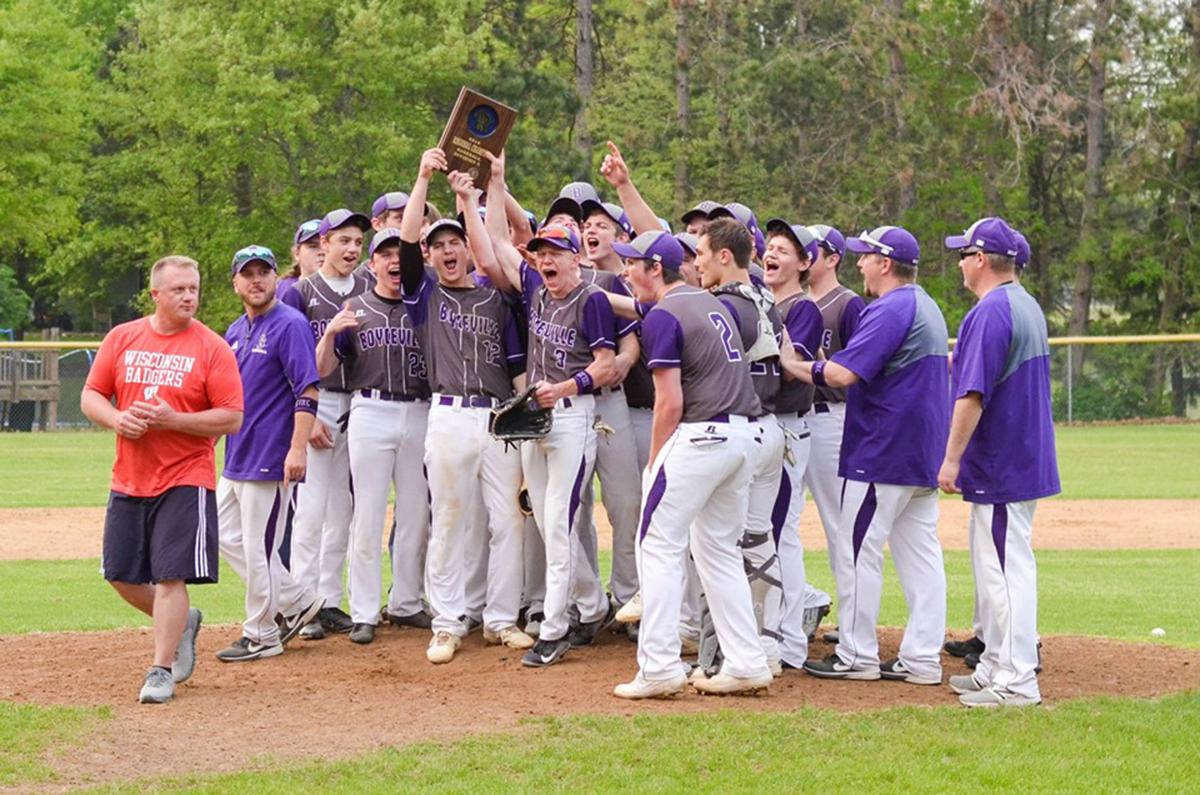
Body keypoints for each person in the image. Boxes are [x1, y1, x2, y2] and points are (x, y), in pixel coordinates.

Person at [611, 229, 772, 699]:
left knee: (657, 544)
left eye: (631, 263)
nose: (625, 271)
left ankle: (659, 666)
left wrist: (655, 460)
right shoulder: (708, 302)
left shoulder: (666, 314)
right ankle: (746, 661)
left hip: (701, 435)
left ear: (654, 268)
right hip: (741, 437)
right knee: (717, 551)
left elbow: (669, 403)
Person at [788, 226, 950, 686]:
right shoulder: (925, 304)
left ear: (885, 263)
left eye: (865, 256)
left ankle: (856, 655)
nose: (859, 264)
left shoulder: (891, 307)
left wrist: (793, 365)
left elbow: (840, 373)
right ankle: (921, 659)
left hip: (883, 451)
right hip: (920, 453)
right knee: (921, 557)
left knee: (857, 551)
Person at [477, 150, 618, 668]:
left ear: (576, 257)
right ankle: (591, 604)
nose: (546, 260)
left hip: (573, 419)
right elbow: (494, 241)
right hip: (535, 420)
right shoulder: (536, 289)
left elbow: (604, 366)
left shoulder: (592, 300)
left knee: (557, 522)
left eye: (555, 252)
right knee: (545, 523)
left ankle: (554, 629)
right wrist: (496, 181)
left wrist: (565, 388)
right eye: (540, 253)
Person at [81, 255, 243, 704]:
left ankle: (161, 669)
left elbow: (231, 417)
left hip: (186, 477)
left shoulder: (212, 347)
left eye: (193, 288)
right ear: (156, 294)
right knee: (118, 573)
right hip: (129, 478)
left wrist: (174, 419)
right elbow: (91, 394)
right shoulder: (123, 338)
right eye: (178, 290)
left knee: (172, 576)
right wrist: (116, 419)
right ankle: (181, 622)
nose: (189, 296)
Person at [398, 148, 532, 664]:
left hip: (499, 417)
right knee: (451, 518)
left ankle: (500, 619)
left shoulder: (495, 298)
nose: (448, 250)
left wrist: (469, 199)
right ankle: (447, 622)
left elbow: (518, 362)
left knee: (507, 521)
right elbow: (407, 241)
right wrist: (422, 177)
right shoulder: (424, 296)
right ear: (431, 257)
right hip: (449, 416)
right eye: (441, 246)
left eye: (455, 242)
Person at [940, 217, 1059, 708]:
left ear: (982, 260)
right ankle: (994, 667)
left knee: (1007, 573)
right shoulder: (1022, 304)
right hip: (1016, 458)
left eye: (964, 254)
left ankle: (1016, 681)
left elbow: (972, 395)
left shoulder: (992, 311)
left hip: (1003, 462)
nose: (960, 263)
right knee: (995, 569)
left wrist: (950, 460)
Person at [315, 224, 432, 645]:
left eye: (400, 253)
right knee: (366, 512)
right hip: (370, 408)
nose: (393, 260)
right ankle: (364, 611)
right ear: (373, 263)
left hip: (420, 409)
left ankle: (405, 602)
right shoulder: (356, 306)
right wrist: (330, 332)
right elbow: (324, 369)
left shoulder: (426, 305)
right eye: (385, 253)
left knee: (416, 513)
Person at [215, 245, 324, 661]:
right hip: (237, 454)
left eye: (264, 272)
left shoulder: (290, 325)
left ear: (277, 277)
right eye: (248, 273)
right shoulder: (235, 330)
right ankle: (296, 599)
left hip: (271, 455)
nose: (256, 280)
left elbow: (307, 389)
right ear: (236, 282)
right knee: (222, 535)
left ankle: (262, 634)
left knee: (260, 548)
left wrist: (297, 449)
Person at [280, 209, 372, 639]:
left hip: (359, 403)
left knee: (344, 509)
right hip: (316, 402)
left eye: (357, 241)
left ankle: (331, 600)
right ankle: (302, 603)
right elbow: (288, 358)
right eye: (342, 241)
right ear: (324, 243)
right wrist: (305, 411)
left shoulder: (369, 286)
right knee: (311, 509)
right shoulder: (302, 291)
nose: (351, 249)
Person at [762, 219, 825, 668]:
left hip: (787, 426)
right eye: (769, 246)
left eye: (784, 249)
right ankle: (771, 631)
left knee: (781, 531)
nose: (772, 253)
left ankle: (790, 640)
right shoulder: (760, 300)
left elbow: (789, 367)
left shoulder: (803, 309)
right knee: (763, 531)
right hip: (765, 425)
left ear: (805, 263)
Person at [800, 223, 867, 644]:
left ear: (832, 258)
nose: (805, 254)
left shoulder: (848, 304)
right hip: (794, 419)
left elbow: (860, 370)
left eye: (813, 248)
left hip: (831, 419)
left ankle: (854, 625)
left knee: (840, 526)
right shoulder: (791, 301)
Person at [276, 219, 323, 304]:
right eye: (313, 246)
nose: (321, 252)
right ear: (297, 253)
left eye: (326, 246)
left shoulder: (345, 287)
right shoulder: (286, 290)